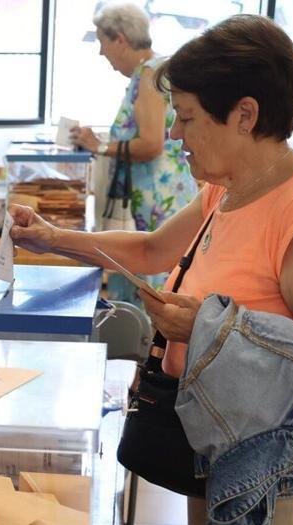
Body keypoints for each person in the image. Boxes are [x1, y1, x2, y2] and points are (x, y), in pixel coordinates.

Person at [10, 15, 293, 525]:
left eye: (189, 117)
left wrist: (208, 325)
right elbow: (151, 249)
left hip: (271, 458)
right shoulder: (227, 188)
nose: (173, 134)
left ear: (245, 113)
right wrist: (53, 239)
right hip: (218, 438)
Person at [73, 3, 197, 301]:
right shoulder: (150, 72)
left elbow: (150, 144)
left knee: (156, 290)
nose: (102, 52)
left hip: (159, 203)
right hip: (157, 200)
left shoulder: (149, 74)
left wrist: (99, 146)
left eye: (102, 42)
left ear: (120, 39)